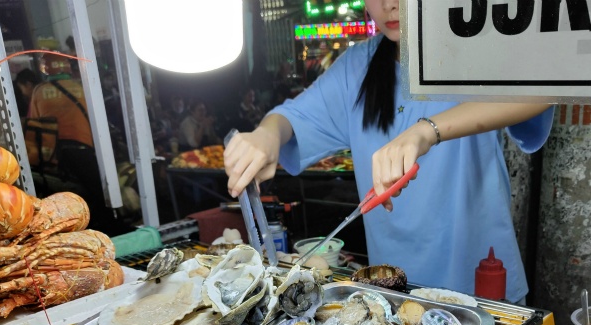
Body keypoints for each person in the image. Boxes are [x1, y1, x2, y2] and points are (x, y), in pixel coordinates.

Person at [225, 0, 554, 303]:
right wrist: (268, 134)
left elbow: (543, 89)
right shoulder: (357, 66)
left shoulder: (476, 47)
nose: (389, 5)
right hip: (395, 289)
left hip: (480, 278)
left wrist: (427, 131)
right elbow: (291, 117)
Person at [28, 53, 126, 235]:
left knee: (69, 199)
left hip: (55, 155)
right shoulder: (82, 87)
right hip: (83, 147)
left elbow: (35, 124)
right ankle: (113, 230)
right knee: (97, 193)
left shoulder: (39, 91)